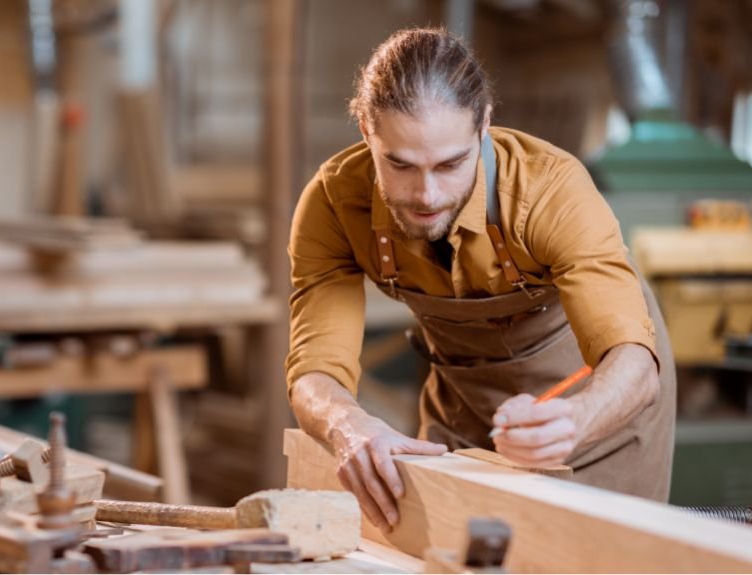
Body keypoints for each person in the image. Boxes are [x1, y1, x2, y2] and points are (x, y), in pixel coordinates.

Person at [285, 27, 675, 532]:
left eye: (450, 164)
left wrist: (575, 420)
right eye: (399, 165)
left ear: (483, 125)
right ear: (365, 130)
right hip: (464, 403)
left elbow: (634, 364)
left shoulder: (552, 190)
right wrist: (348, 424)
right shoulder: (333, 204)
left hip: (598, 406)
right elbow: (314, 369)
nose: (426, 195)